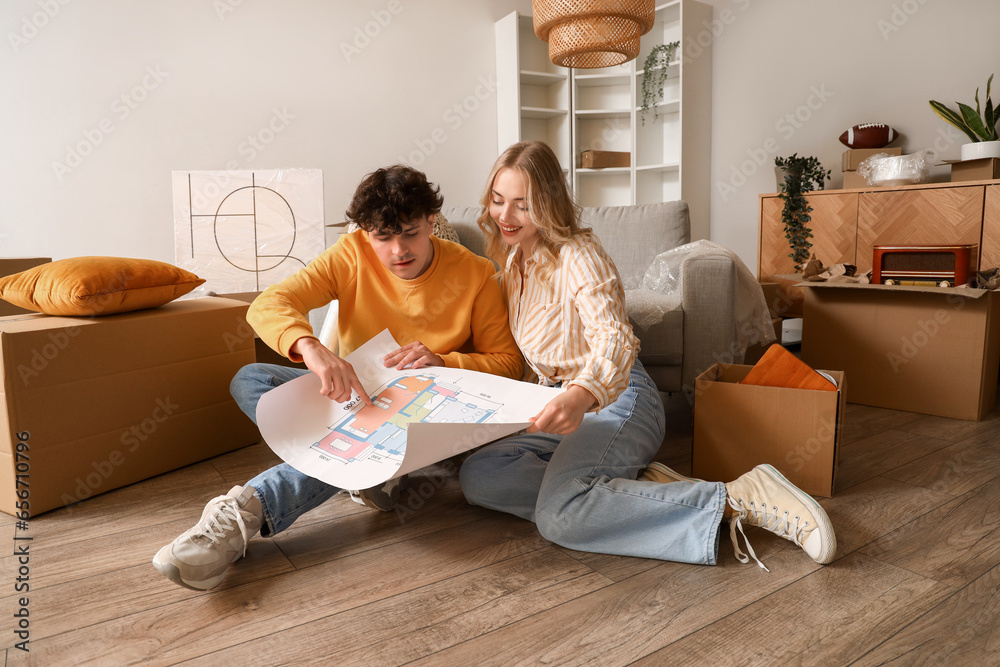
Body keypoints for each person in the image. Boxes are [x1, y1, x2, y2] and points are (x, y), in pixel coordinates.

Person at [458, 141, 836, 571]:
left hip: (616, 397)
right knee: (480, 476)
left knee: (559, 516)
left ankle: (738, 497)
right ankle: (631, 489)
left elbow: (616, 339)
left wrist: (581, 395)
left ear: (547, 204)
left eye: (522, 205)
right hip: (557, 403)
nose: (504, 216)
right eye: (497, 200)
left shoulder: (579, 254)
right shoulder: (512, 264)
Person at [153, 165, 524, 590]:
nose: (398, 249)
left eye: (410, 232)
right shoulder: (350, 254)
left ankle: (243, 515)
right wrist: (312, 349)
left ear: (431, 223)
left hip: (426, 410)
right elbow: (270, 304)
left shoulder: (476, 273)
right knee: (250, 378)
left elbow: (508, 362)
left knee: (341, 440)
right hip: (358, 398)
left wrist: (442, 360)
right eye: (382, 237)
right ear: (366, 232)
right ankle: (366, 466)